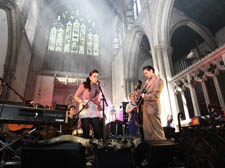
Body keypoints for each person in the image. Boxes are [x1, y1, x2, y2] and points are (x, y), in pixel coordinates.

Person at [74, 69, 102, 139]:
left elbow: (95, 100)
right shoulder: (84, 85)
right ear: (90, 77)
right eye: (94, 76)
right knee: (86, 131)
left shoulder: (98, 87)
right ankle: (84, 149)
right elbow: (75, 97)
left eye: (97, 77)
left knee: (97, 131)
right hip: (85, 108)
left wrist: (99, 105)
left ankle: (95, 148)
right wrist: (82, 102)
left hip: (93, 109)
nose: (96, 78)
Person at [142, 65, 165, 140]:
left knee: (157, 131)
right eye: (144, 74)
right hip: (146, 110)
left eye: (146, 73)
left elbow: (155, 96)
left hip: (152, 109)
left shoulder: (159, 81)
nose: (145, 75)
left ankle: (162, 147)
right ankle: (151, 148)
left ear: (151, 71)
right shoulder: (147, 83)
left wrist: (143, 96)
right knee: (148, 132)